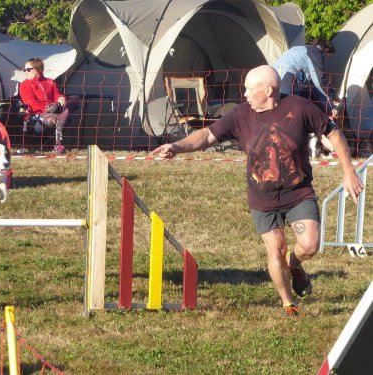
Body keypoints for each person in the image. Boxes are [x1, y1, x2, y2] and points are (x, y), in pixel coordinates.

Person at [151, 65, 364, 317]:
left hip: (298, 192)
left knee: (309, 245)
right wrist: (176, 146)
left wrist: (348, 171)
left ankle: (294, 265)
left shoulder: (301, 108)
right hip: (262, 198)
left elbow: (334, 135)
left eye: (250, 90)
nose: (246, 95)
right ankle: (289, 304)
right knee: (275, 249)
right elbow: (206, 136)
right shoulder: (240, 114)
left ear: (268, 90)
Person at [272, 37, 336, 117]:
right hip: (286, 77)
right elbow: (319, 82)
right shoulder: (315, 53)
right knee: (290, 113)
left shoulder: (305, 49)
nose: (327, 60)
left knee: (278, 110)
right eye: (328, 56)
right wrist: (331, 98)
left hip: (273, 75)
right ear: (325, 50)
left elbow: (311, 85)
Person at [19, 57, 68, 154]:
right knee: (63, 113)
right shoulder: (24, 85)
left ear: (38, 70)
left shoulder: (50, 82)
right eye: (25, 70)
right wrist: (49, 109)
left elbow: (56, 94)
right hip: (35, 116)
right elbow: (31, 104)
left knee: (67, 107)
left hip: (52, 113)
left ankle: (57, 145)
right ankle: (58, 144)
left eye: (28, 70)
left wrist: (60, 98)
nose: (26, 72)